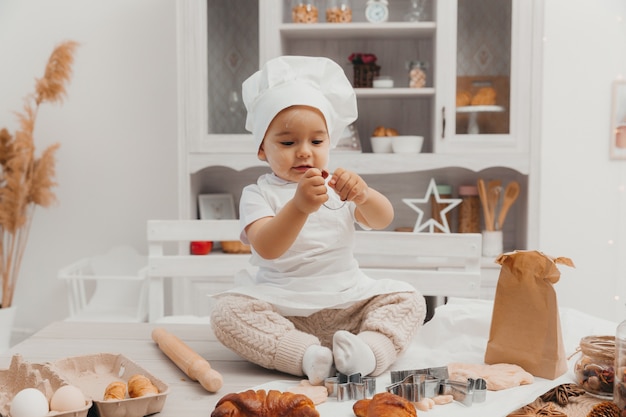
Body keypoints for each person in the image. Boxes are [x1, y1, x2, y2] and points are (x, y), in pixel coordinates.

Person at [210, 56, 426, 385]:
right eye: (287, 142)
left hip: (348, 304)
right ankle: (307, 356)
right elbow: (267, 247)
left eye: (316, 141)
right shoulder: (257, 194)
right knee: (226, 312)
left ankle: (367, 352)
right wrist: (298, 206)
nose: (304, 152)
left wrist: (364, 196)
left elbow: (383, 219)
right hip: (285, 309)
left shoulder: (337, 185)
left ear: (330, 141)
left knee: (410, 299)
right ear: (261, 150)